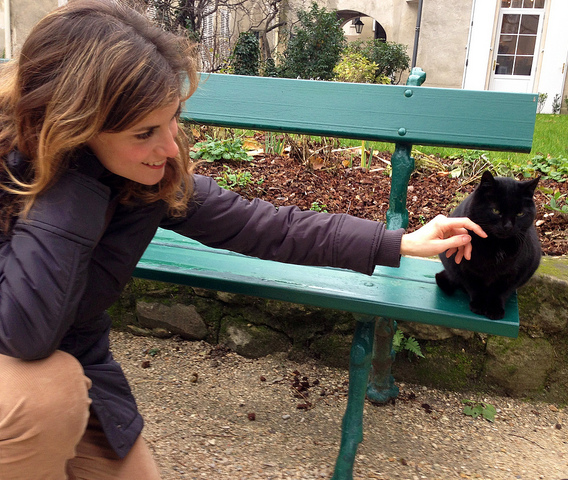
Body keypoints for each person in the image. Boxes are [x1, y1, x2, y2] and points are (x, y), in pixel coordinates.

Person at [0, 1, 487, 478]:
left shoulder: (139, 177)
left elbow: (264, 225)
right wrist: (69, 180)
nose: (170, 147)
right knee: (47, 395)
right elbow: (25, 333)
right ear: (71, 127)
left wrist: (397, 242)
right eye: (144, 132)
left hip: (78, 361)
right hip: (27, 375)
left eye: (173, 118)